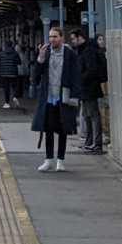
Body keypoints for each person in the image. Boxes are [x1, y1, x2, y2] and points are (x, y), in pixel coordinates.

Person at [32, 27, 82, 172]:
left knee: (62, 129)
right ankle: (48, 159)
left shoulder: (70, 55)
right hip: (48, 98)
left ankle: (61, 160)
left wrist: (74, 96)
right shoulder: (45, 53)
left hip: (64, 97)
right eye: (50, 37)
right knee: (48, 129)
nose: (52, 39)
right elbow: (36, 75)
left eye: (55, 37)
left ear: (62, 38)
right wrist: (40, 58)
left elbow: (75, 76)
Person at [69, 28, 107, 153]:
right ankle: (89, 142)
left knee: (93, 114)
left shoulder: (88, 50)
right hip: (86, 87)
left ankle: (96, 143)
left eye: (74, 38)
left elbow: (91, 69)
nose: (72, 41)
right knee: (86, 114)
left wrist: (81, 79)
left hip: (90, 87)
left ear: (80, 37)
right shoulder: (84, 49)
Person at [0, 40, 22, 108]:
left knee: (6, 89)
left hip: (3, 74)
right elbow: (19, 62)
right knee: (15, 86)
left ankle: (7, 102)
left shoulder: (0, 53)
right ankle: (15, 97)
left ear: (5, 46)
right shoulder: (15, 53)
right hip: (13, 73)